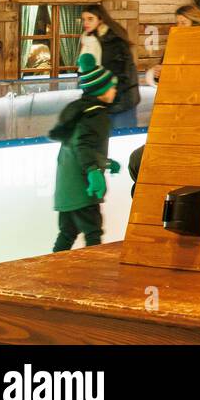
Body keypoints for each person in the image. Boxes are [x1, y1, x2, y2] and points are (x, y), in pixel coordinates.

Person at [50, 54, 121, 252]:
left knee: (67, 233)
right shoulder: (96, 114)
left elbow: (80, 144)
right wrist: (93, 171)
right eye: (112, 86)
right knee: (93, 232)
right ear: (102, 90)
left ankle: (53, 271)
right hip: (82, 186)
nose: (115, 90)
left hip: (67, 185)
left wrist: (105, 162)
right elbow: (84, 145)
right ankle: (94, 271)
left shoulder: (80, 111)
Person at [79, 4, 141, 130]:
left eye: (90, 19)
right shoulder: (90, 41)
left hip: (121, 102)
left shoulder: (114, 42)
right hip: (104, 101)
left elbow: (123, 74)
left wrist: (110, 98)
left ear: (100, 19)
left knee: (121, 139)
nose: (85, 23)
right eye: (83, 19)